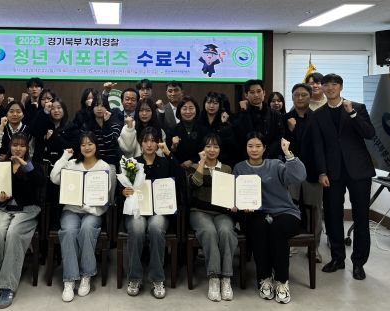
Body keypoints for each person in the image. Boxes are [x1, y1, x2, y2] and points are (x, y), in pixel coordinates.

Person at [311, 73, 375, 280]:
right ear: (322, 88)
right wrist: (321, 171)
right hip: (332, 173)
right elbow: (318, 146)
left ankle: (359, 263)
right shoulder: (318, 114)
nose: (330, 88)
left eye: (334, 84)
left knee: (361, 217)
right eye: (326, 85)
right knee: (332, 216)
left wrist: (353, 114)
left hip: (359, 171)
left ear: (340, 87)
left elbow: (369, 133)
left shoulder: (357, 107)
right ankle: (338, 258)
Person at [233, 133, 306, 304]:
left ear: (264, 148)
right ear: (245, 148)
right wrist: (239, 205)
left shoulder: (276, 165)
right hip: (256, 213)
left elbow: (298, 176)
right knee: (259, 228)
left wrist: (288, 153)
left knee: (277, 229)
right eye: (250, 146)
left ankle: (281, 281)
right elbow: (235, 194)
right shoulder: (239, 168)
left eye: (258, 146)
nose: (254, 149)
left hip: (285, 212)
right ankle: (264, 278)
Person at [50, 132, 115, 302]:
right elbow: (54, 178)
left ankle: (86, 275)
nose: (87, 147)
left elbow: (104, 197)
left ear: (96, 146)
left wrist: (88, 207)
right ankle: (70, 279)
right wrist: (64, 157)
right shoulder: (72, 164)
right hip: (71, 210)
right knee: (69, 231)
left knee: (87, 229)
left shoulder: (104, 166)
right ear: (79, 147)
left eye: (90, 144)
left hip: (93, 212)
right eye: (83, 144)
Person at [0, 133, 46, 308]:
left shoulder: (33, 167)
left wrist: (25, 166)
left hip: (26, 211)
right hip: (4, 209)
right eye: (15, 145)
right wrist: (0, 200)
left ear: (27, 148)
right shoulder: (1, 166)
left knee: (13, 233)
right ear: (9, 146)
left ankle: (7, 286)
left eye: (22, 146)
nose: (18, 148)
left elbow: (40, 183)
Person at [121, 127, 178, 299]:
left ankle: (157, 278)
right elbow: (121, 189)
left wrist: (168, 153)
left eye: (153, 140)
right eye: (146, 140)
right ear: (140, 143)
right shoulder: (132, 163)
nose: (149, 144)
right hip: (137, 209)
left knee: (155, 227)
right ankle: (135, 278)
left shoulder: (166, 162)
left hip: (159, 211)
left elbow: (180, 178)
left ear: (158, 143)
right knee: (137, 228)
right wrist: (124, 192)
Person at [189, 134, 237, 302]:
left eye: (215, 147)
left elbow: (231, 193)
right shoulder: (194, 166)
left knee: (226, 231)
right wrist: (201, 163)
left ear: (220, 150)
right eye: (208, 146)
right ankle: (214, 277)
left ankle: (226, 278)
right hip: (199, 211)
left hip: (222, 213)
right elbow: (194, 184)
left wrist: (234, 203)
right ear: (202, 149)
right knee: (209, 231)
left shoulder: (227, 169)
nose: (212, 150)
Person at [284, 83, 323, 263]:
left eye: (304, 95)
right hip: (290, 173)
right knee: (289, 207)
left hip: (312, 172)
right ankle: (289, 243)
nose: (300, 98)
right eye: (296, 95)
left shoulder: (318, 118)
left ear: (310, 97)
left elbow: (321, 147)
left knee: (314, 210)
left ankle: (314, 248)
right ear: (292, 97)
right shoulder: (284, 118)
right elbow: (282, 145)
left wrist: (323, 172)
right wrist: (291, 131)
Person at [234, 79, 284, 160]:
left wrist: (266, 153)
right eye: (252, 92)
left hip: (270, 159)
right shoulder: (240, 115)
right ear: (246, 95)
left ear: (264, 93)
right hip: (247, 159)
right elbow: (239, 137)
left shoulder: (275, 115)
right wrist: (244, 113)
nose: (256, 95)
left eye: (259, 91)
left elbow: (279, 137)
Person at [31, 97, 80, 165]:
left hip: (64, 165)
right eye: (52, 108)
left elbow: (72, 148)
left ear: (64, 110)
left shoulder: (72, 127)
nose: (56, 110)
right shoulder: (44, 125)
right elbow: (33, 131)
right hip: (43, 164)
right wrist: (44, 112)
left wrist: (55, 135)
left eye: (59, 108)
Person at [80, 91, 122, 170]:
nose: (99, 109)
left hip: (110, 163)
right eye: (96, 105)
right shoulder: (86, 126)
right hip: (91, 163)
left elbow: (110, 144)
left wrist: (106, 124)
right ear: (92, 108)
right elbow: (84, 146)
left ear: (107, 108)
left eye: (102, 106)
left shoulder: (115, 125)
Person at [169, 96, 209, 169]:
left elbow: (206, 150)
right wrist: (173, 146)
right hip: (178, 168)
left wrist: (192, 161)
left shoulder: (203, 129)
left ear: (196, 110)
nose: (188, 112)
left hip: (199, 167)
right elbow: (168, 153)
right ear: (179, 110)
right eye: (184, 109)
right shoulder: (172, 129)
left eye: (191, 108)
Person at [198, 91, 236, 167]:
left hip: (222, 161)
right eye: (209, 102)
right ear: (204, 104)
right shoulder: (199, 119)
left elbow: (230, 143)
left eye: (215, 103)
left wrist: (224, 124)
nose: (211, 106)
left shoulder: (226, 119)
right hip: (201, 159)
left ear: (220, 105)